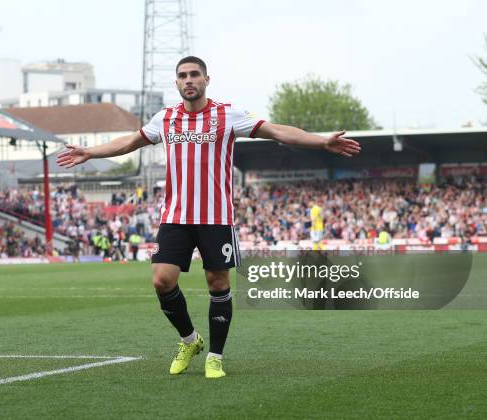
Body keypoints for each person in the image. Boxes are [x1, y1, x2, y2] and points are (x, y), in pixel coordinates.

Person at [56, 56, 361, 378]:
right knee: (162, 280)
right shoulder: (166, 118)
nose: (189, 80)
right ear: (176, 83)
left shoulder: (228, 115)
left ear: (206, 79)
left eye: (194, 75)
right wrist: (91, 152)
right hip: (175, 216)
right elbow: (129, 142)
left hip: (215, 217)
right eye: (183, 76)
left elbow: (278, 132)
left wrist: (321, 140)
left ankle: (215, 356)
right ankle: (189, 340)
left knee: (217, 283)